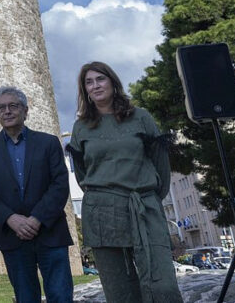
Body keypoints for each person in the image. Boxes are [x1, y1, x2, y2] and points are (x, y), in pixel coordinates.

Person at [67, 62, 182, 303]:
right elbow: (82, 175)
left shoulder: (140, 117)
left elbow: (160, 163)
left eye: (100, 79)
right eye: (89, 82)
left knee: (163, 286)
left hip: (144, 207)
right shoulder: (81, 127)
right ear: (84, 90)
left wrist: (151, 198)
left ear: (112, 82)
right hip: (101, 213)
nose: (95, 85)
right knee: (119, 291)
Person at [0, 85, 74, 303]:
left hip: (50, 231)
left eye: (13, 106)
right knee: (25, 297)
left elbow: (59, 184)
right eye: (1, 107)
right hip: (12, 235)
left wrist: (37, 218)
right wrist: (10, 219)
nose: (7, 111)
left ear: (25, 110)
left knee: (60, 296)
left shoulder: (48, 142)